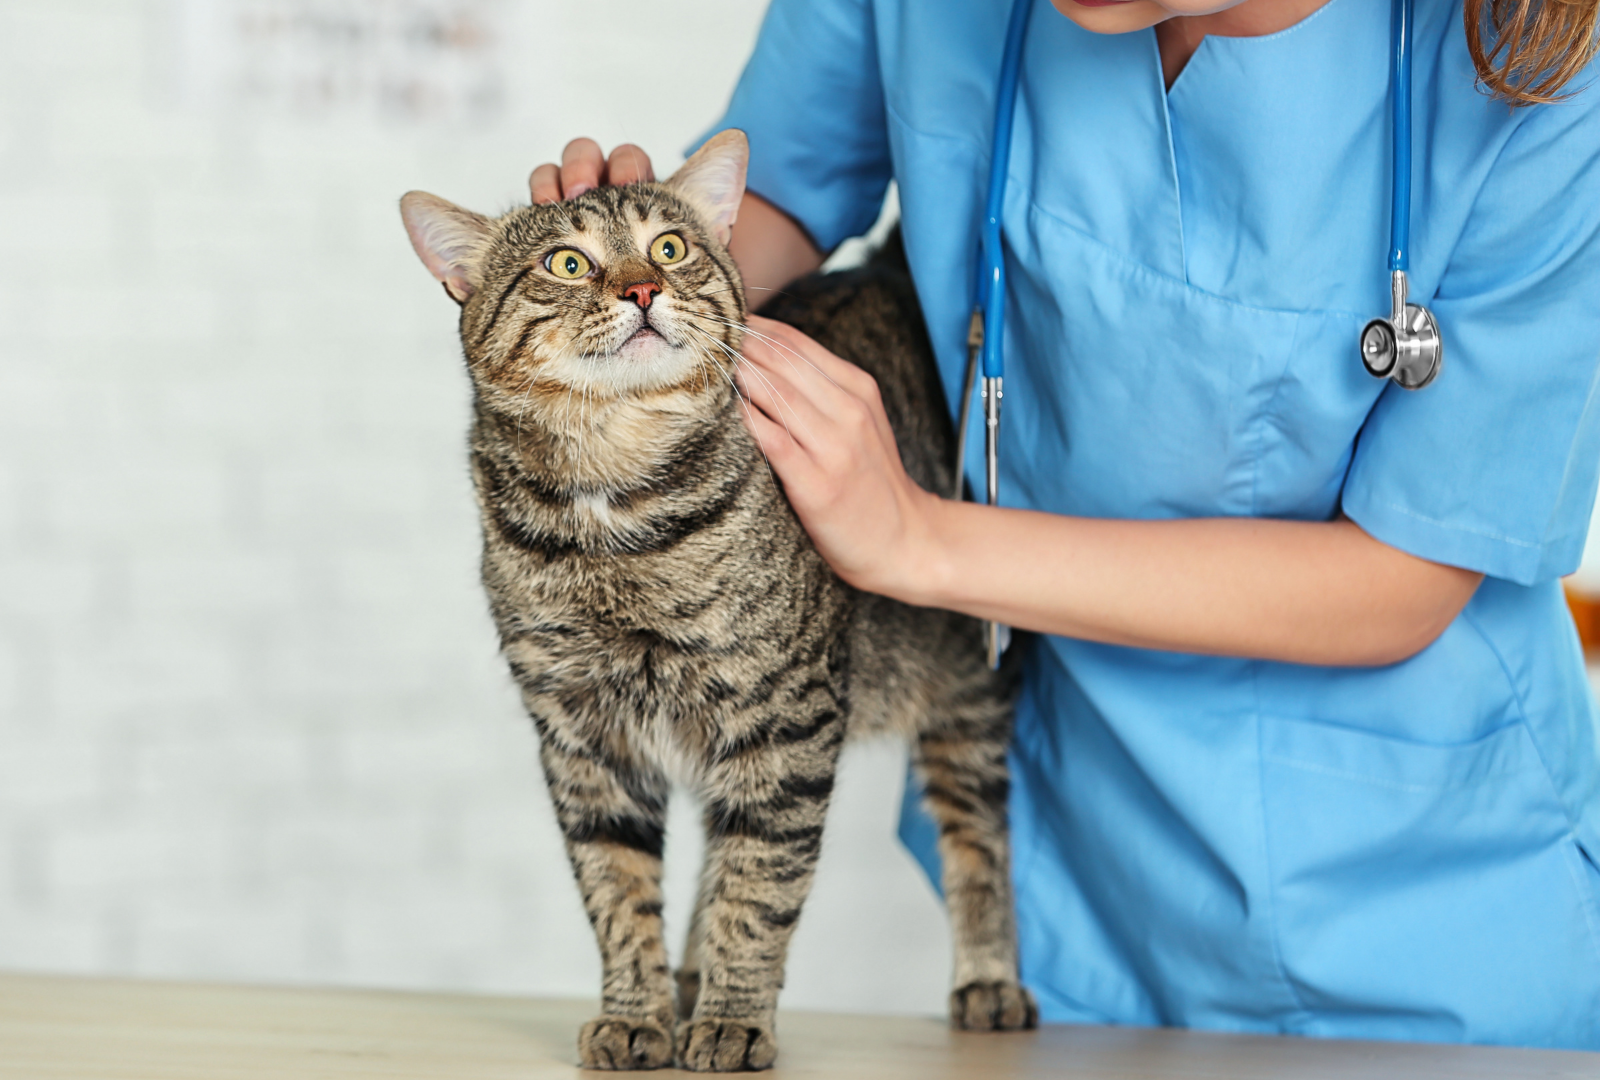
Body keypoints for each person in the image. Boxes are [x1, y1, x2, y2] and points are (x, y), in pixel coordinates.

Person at [526, 0, 1600, 1051]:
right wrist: (617, 282)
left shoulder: (1545, 70)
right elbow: (777, 205)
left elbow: (1405, 576)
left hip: (1430, 917)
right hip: (1074, 880)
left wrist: (919, 541)